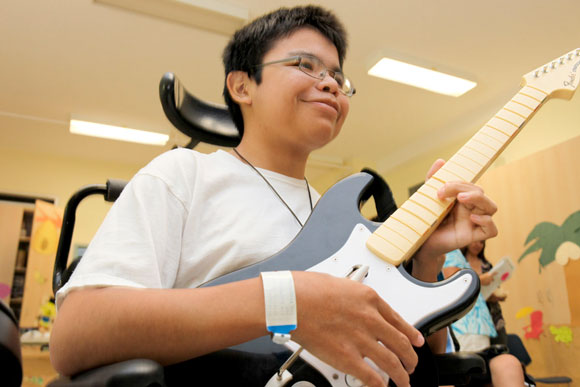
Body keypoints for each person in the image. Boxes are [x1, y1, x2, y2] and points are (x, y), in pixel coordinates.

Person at [50, 6, 499, 387]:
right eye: (305, 65)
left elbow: (413, 351)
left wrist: (428, 259)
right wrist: (289, 301)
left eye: (337, 77)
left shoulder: (344, 219)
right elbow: (76, 335)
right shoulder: (183, 175)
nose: (328, 83)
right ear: (242, 86)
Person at [443, 247, 524, 386]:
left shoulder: (457, 255)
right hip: (465, 329)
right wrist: (481, 279)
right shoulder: (448, 253)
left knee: (507, 365)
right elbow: (454, 282)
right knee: (469, 372)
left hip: (478, 328)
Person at [461, 241, 509, 346]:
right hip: (474, 318)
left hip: (494, 315)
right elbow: (461, 289)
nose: (478, 245)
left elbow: (496, 286)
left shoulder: (487, 265)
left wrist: (498, 296)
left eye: (482, 243)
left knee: (501, 348)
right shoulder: (460, 264)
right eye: (476, 241)